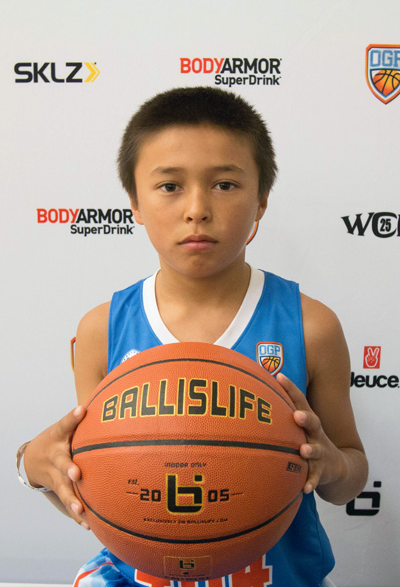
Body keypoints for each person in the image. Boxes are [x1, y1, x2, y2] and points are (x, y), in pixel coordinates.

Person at [18, 87, 368, 587]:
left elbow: (349, 476)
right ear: (135, 204)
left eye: (225, 184)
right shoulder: (103, 328)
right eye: (170, 186)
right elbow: (95, 493)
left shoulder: (310, 325)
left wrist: (331, 465)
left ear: (261, 201)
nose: (197, 209)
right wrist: (32, 464)